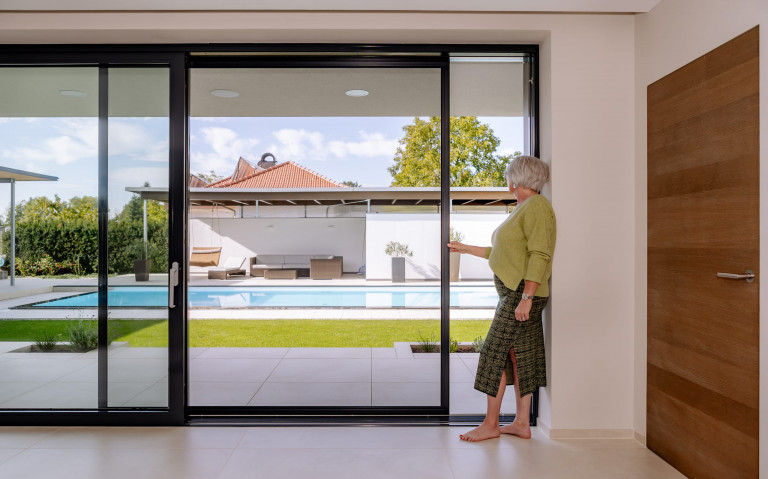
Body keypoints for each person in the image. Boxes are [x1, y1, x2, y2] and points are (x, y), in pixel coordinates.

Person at [448, 155, 556, 442]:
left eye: (510, 176)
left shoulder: (537, 207)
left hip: (521, 295)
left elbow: (540, 254)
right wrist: (464, 248)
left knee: (493, 354)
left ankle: (491, 424)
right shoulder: (524, 208)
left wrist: (527, 297)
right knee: (519, 357)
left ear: (518, 179)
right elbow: (502, 253)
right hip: (517, 293)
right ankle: (521, 423)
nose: (508, 181)